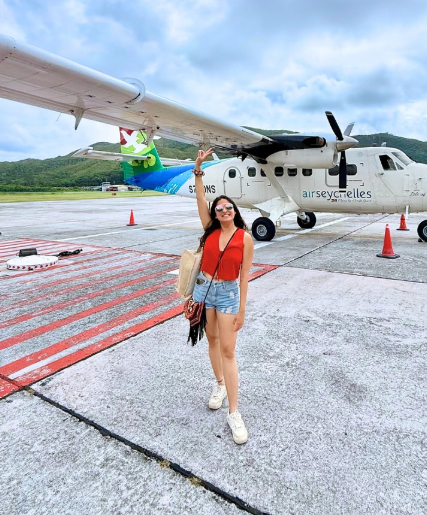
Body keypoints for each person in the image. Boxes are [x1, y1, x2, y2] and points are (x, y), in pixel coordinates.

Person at [191, 148, 254, 445]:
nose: (224, 211)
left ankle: (234, 412)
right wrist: (198, 169)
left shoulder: (245, 238)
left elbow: (245, 276)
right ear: (215, 214)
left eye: (229, 207)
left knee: (229, 350)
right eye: (219, 209)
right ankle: (219, 385)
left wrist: (242, 309)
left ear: (235, 211)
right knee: (212, 340)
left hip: (228, 293)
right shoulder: (210, 230)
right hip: (205, 289)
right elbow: (200, 199)